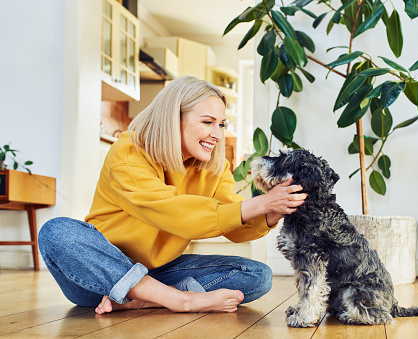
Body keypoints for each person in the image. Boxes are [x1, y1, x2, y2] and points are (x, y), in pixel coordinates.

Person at [38, 75, 307, 315]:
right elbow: (174, 212)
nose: (216, 134)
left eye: (221, 124)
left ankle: (146, 299)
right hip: (101, 275)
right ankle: (179, 300)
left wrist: (270, 211)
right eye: (207, 122)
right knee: (57, 232)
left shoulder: (214, 168)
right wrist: (261, 202)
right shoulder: (128, 154)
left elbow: (236, 224)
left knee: (258, 275)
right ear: (172, 119)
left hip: (161, 270)